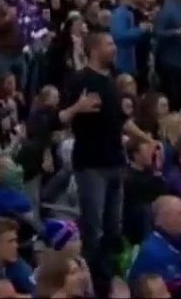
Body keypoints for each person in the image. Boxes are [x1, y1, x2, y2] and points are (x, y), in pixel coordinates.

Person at [60, 31, 128, 292]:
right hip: (91, 164)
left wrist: (142, 137)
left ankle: (107, 282)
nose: (114, 48)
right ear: (95, 49)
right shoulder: (80, 80)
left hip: (115, 162)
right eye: (110, 44)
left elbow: (118, 120)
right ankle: (89, 285)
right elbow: (62, 117)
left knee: (113, 229)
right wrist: (79, 108)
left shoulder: (110, 80)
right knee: (94, 230)